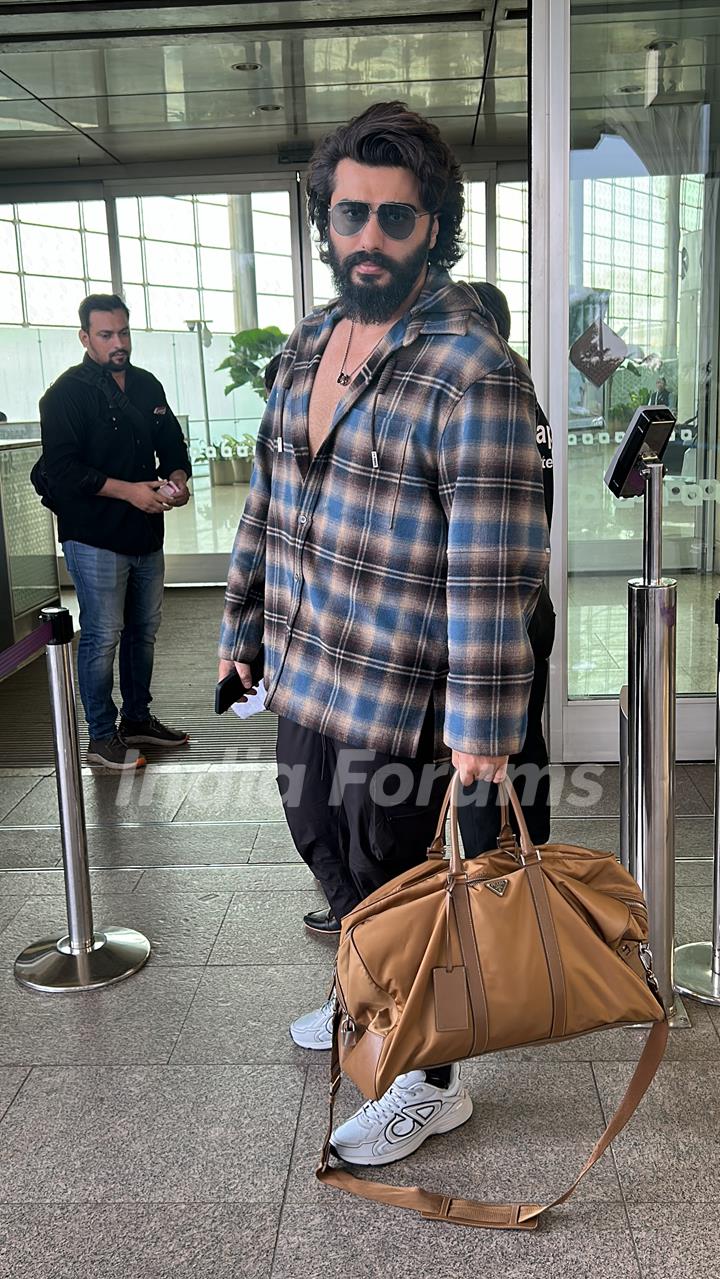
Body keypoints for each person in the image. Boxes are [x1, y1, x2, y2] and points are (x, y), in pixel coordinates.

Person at [218, 102, 549, 1166]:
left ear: (434, 227)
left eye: (393, 221)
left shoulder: (473, 371)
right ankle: (368, 999)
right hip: (310, 673)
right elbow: (266, 501)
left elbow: (493, 570)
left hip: (407, 692)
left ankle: (431, 1078)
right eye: (350, 215)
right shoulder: (311, 341)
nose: (367, 238)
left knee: (408, 887)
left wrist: (485, 736)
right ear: (326, 218)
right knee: (329, 855)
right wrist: (241, 629)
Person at [39, 293, 192, 771]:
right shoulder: (64, 395)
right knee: (103, 634)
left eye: (124, 332)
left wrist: (178, 482)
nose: (118, 342)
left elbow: (173, 446)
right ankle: (102, 737)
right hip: (93, 534)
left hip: (146, 531)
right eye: (106, 335)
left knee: (143, 632)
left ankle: (138, 720)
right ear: (85, 338)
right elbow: (62, 470)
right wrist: (129, 492)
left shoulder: (147, 385)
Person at [458, 281, 555, 853]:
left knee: (477, 750)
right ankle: (531, 853)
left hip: (491, 610)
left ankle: (480, 879)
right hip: (532, 599)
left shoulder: (489, 399)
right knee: (527, 737)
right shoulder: (529, 399)